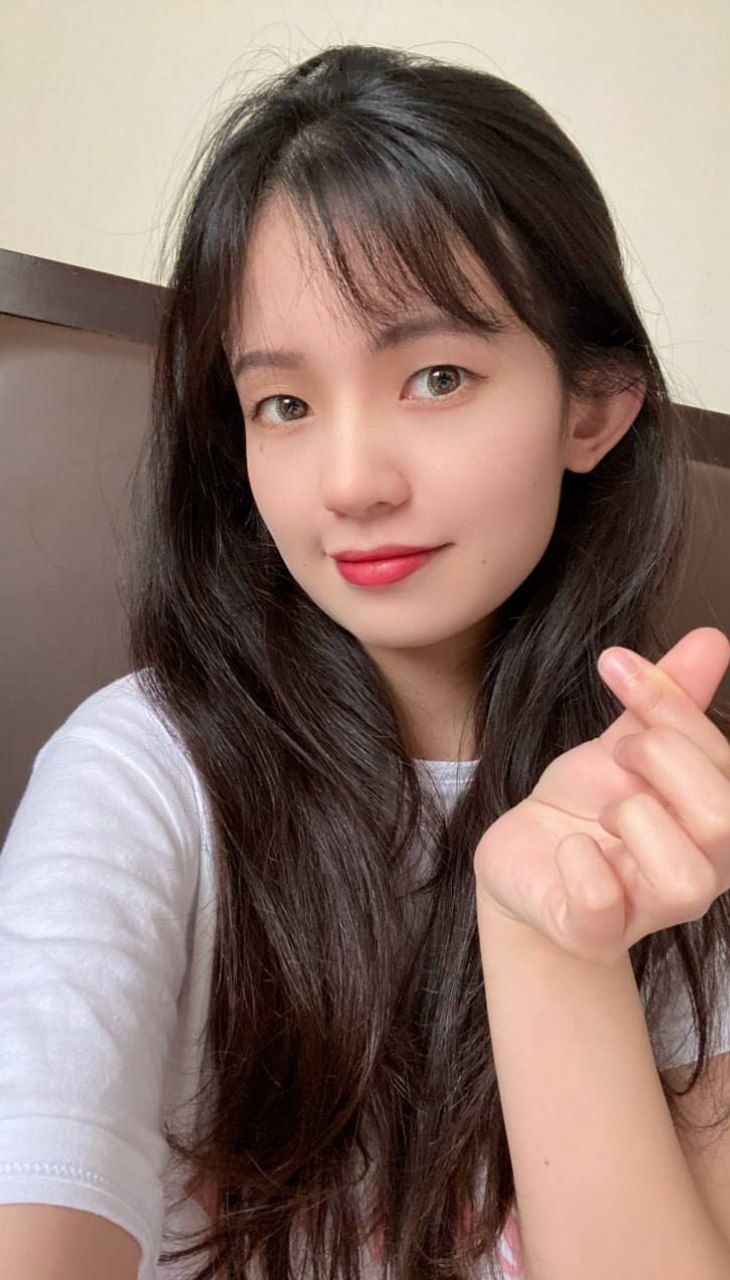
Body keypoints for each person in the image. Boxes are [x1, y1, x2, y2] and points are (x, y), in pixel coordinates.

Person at [1, 41, 729, 1280]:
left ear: (591, 408)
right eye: (283, 404)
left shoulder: (670, 815)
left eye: (436, 376)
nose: (349, 483)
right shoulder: (141, 774)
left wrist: (547, 937)